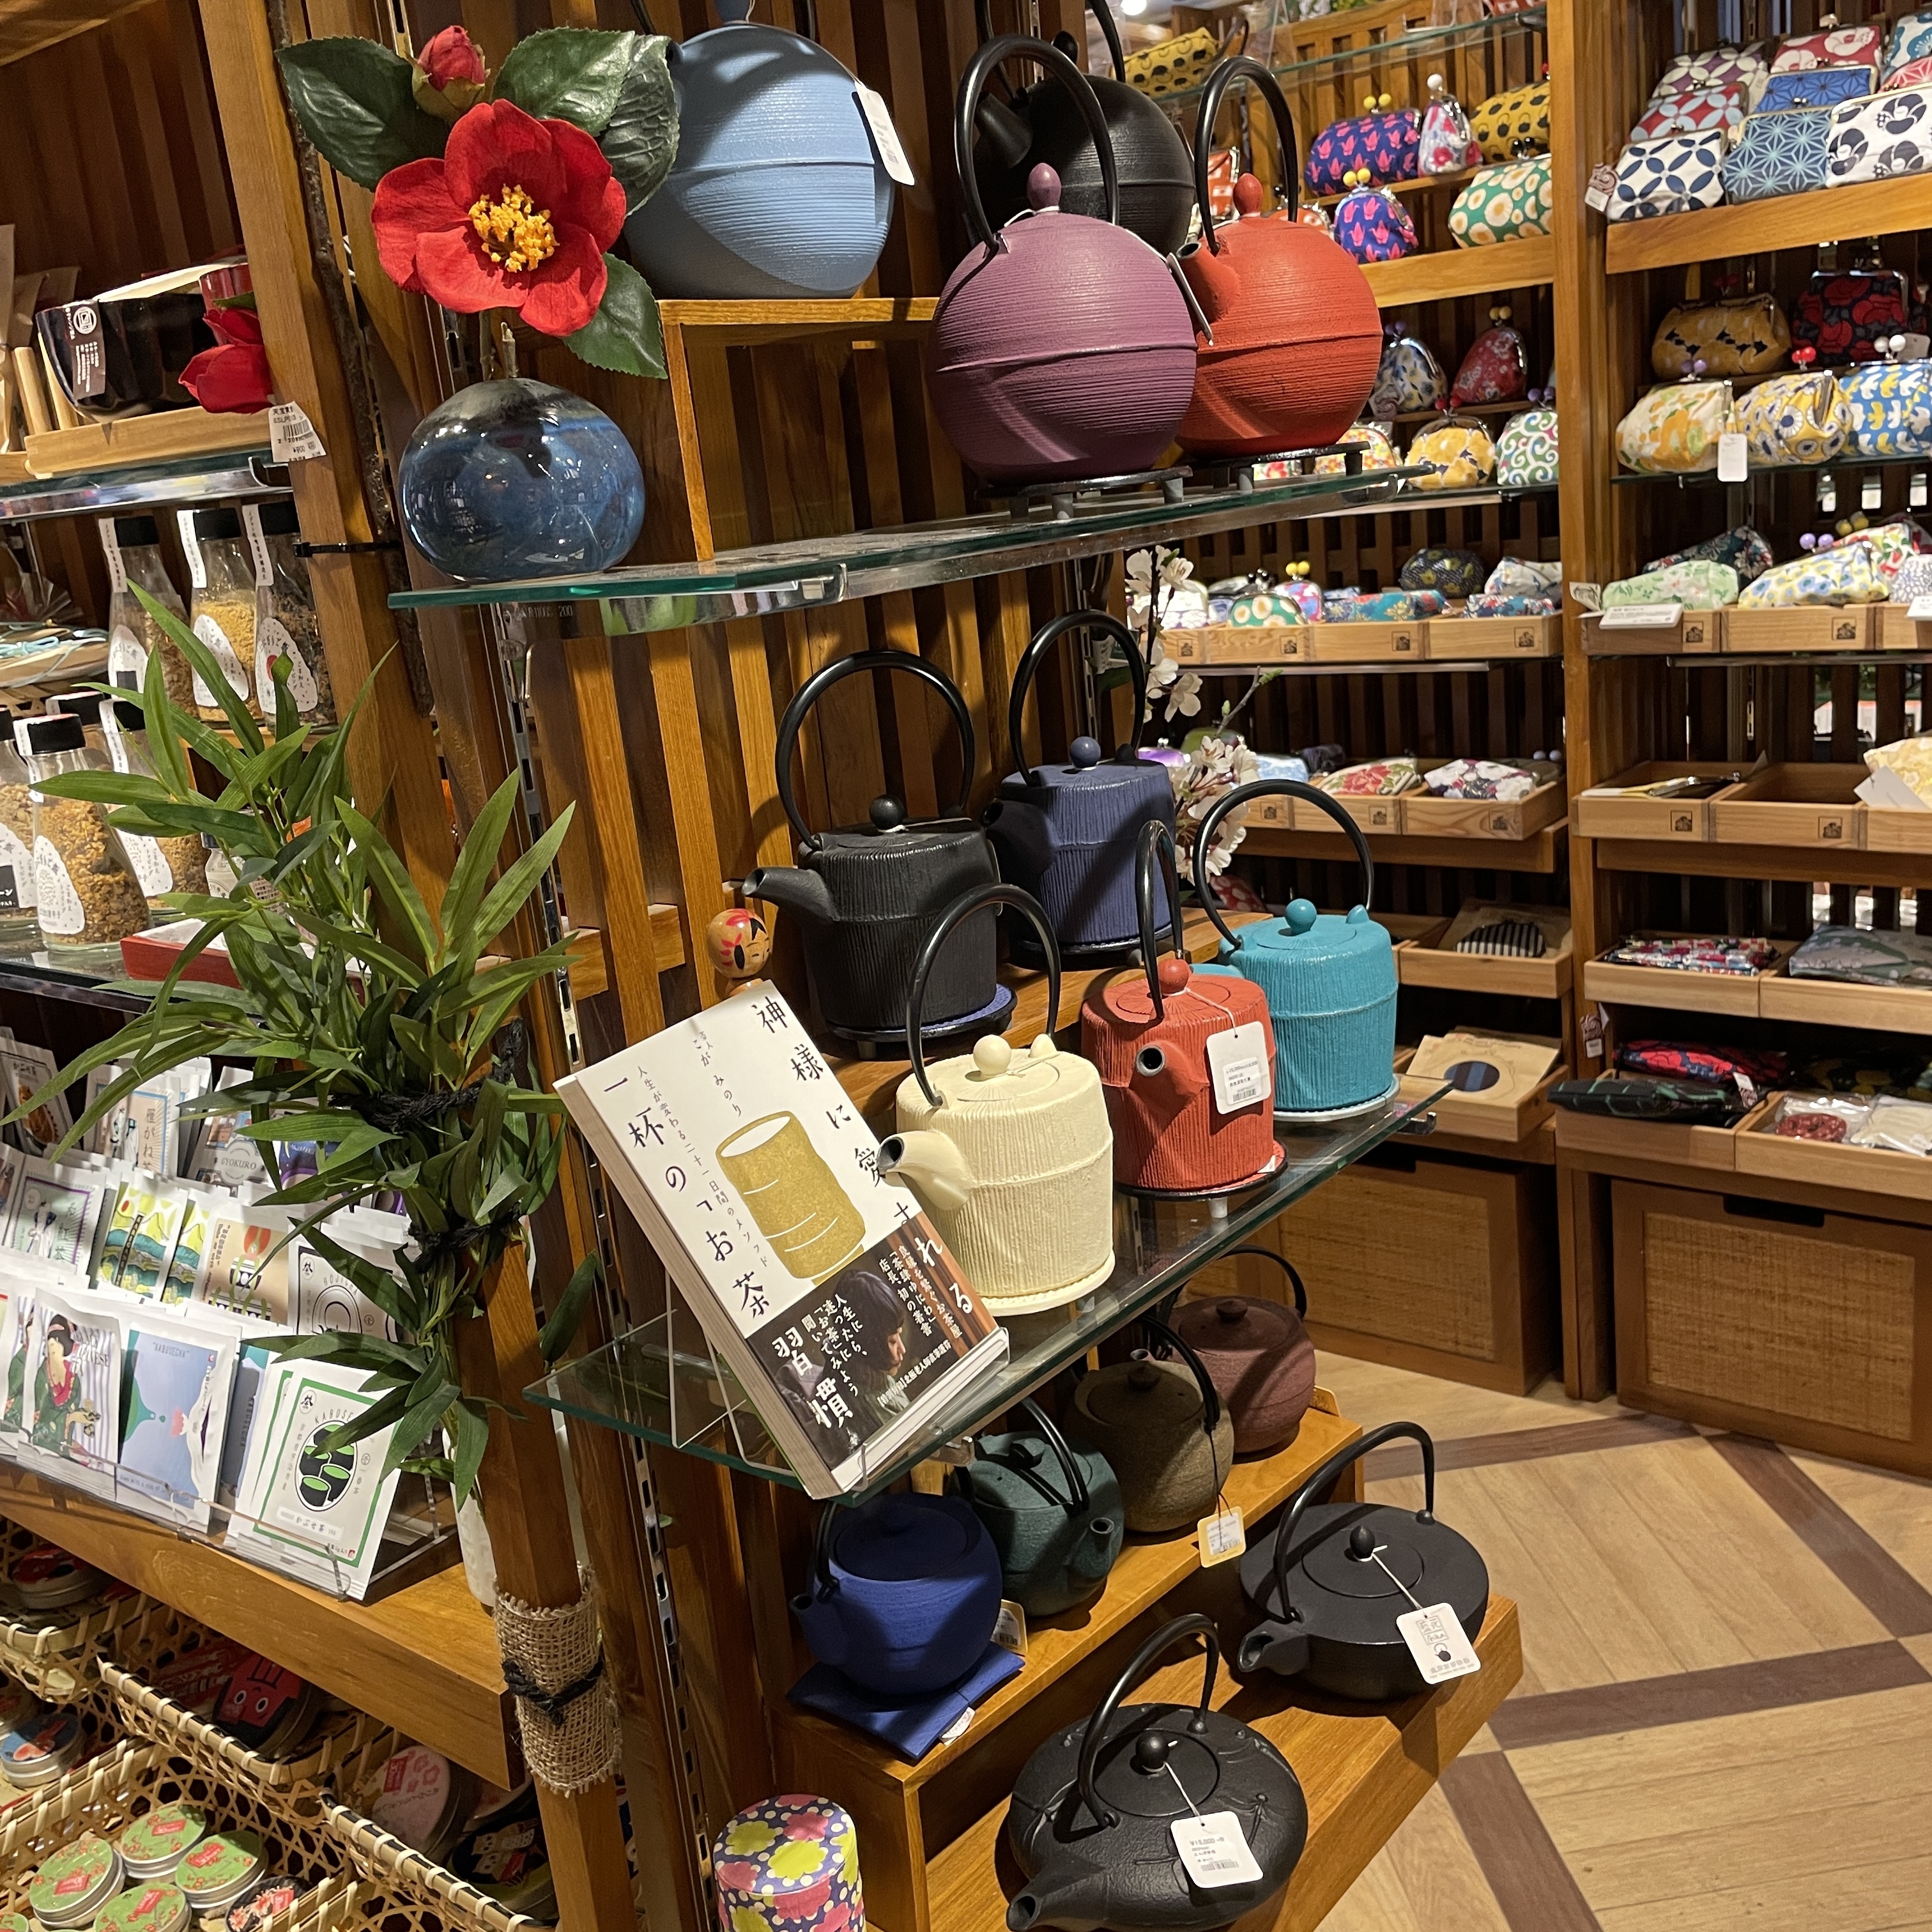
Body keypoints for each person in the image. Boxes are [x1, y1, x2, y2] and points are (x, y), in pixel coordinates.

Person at [31, 1314, 97, 1457]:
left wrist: (86, 1418)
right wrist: (70, 1417)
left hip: (64, 1443)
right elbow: (39, 1412)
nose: (53, 1350)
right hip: (41, 1443)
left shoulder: (73, 1378)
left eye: (57, 1345)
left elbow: (74, 1409)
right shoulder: (43, 1373)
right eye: (50, 1345)